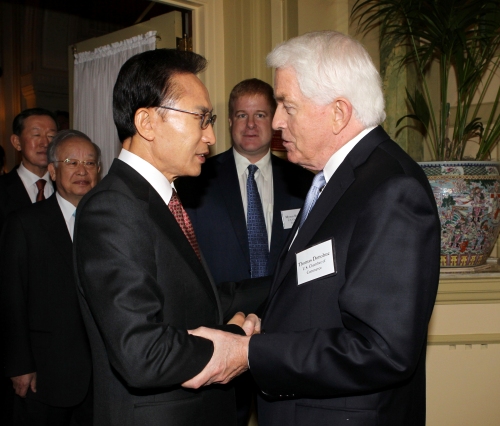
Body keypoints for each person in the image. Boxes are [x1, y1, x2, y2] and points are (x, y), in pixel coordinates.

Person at [182, 31, 441, 426]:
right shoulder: (335, 179)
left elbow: (382, 348)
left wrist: (251, 354)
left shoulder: (391, 189)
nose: (278, 122)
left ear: (338, 112)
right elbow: (314, 289)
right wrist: (263, 325)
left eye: (287, 106)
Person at [73, 49, 266, 426]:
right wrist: (232, 340)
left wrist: (293, 277)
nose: (211, 136)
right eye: (201, 119)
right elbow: (142, 352)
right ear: (147, 122)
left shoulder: (161, 200)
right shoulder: (112, 208)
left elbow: (199, 300)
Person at [176, 78, 312, 425]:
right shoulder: (196, 177)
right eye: (241, 115)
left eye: (261, 115)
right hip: (220, 333)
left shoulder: (302, 179)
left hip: (284, 332)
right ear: (229, 121)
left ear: (275, 119)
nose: (251, 125)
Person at [0, 129, 100, 425]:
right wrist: (19, 365)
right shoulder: (25, 224)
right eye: (72, 162)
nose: (83, 171)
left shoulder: (108, 223)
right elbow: (11, 297)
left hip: (100, 375)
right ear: (53, 171)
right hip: (45, 374)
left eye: (91, 163)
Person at [0, 108, 58, 231]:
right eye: (36, 135)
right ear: (17, 142)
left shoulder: (65, 187)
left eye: (51, 136)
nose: (45, 143)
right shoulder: (3, 189)